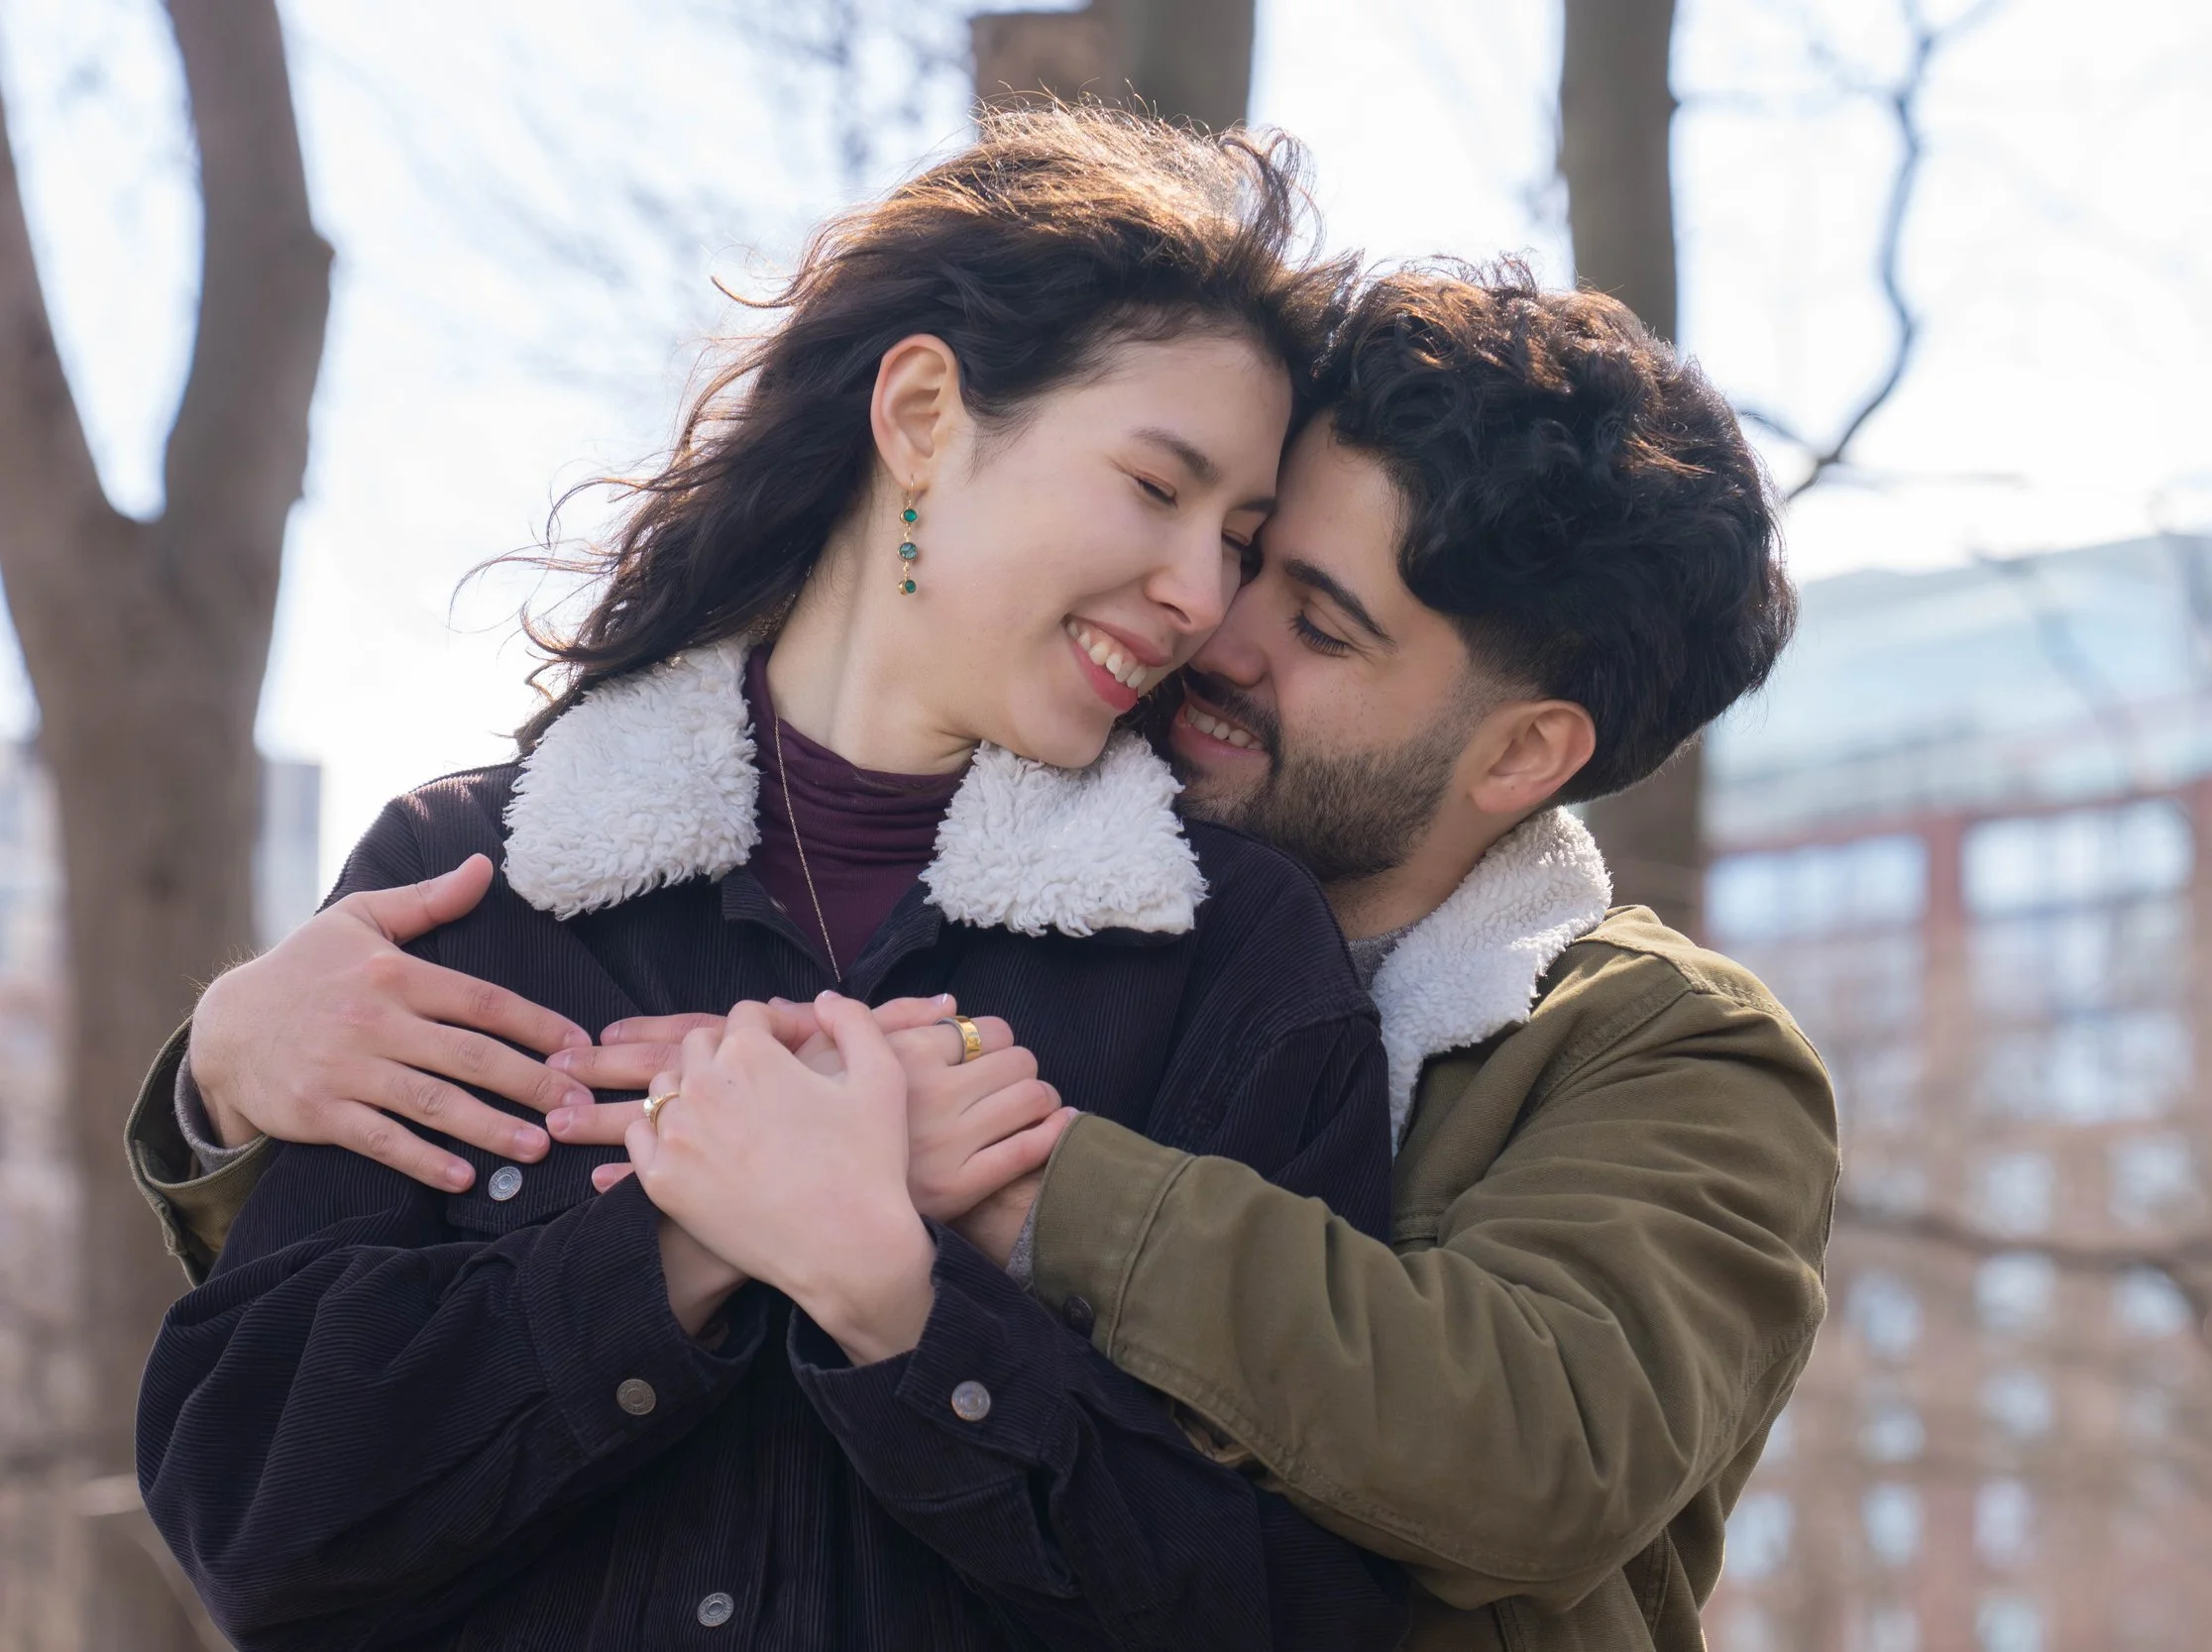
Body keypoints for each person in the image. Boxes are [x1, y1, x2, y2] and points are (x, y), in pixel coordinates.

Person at [135, 264, 1839, 1652]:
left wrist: (995, 1192)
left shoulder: (1655, 1053)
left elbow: (1524, 1456)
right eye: (1229, 538)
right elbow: (294, 1446)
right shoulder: (519, 850)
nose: (1209, 619)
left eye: (1314, 621)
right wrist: (222, 1084)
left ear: (1524, 753)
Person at [130, 108, 1411, 1652]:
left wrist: (900, 1306)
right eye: (1157, 488)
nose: (1201, 592)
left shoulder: (1236, 953)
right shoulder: (477, 884)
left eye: (1241, 536)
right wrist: (685, 1234)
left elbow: (1301, 1610)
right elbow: (255, 1518)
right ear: (926, 412)